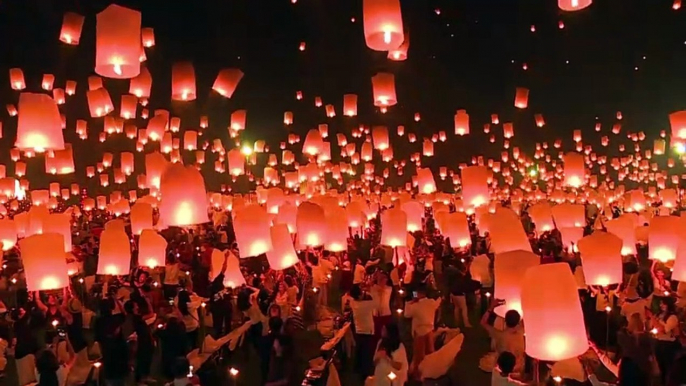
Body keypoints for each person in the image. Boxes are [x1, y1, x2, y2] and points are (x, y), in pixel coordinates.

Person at [404, 284, 441, 378]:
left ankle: (418, 375)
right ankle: (431, 370)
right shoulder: (431, 302)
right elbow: (438, 303)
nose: (414, 295)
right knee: (430, 351)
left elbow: (406, 314)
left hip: (419, 332)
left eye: (415, 293)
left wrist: (409, 303)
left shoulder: (415, 306)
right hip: (429, 330)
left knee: (419, 355)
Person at [480, 299, 525, 375]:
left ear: (505, 321)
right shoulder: (521, 331)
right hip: (518, 370)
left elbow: (483, 322)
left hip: (502, 369)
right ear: (518, 321)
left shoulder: (499, 335)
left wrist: (491, 307)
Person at [648, 297, 681, 384]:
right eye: (661, 303)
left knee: (669, 366)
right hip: (658, 342)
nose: (661, 305)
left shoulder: (672, 317)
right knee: (661, 365)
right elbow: (652, 327)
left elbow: (664, 329)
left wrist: (652, 318)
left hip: (668, 344)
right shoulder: (658, 315)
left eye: (664, 304)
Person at [350, 284, 376, 380]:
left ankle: (357, 368)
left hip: (358, 330)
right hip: (367, 331)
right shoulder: (366, 305)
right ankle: (364, 373)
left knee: (359, 350)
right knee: (366, 353)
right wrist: (370, 290)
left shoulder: (353, 303)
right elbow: (376, 302)